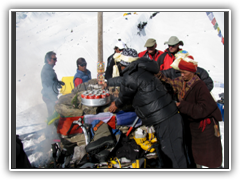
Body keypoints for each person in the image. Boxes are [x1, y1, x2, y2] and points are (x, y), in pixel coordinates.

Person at [105, 48, 188, 168]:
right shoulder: (140, 70)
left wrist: (116, 104)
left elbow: (125, 95)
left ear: (123, 65)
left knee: (174, 157)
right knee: (173, 153)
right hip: (168, 116)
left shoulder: (131, 76)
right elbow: (124, 82)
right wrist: (109, 82)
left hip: (165, 119)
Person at [155, 52, 223, 168]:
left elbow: (205, 108)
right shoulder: (183, 82)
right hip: (193, 127)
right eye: (180, 72)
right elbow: (169, 81)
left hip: (205, 129)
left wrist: (182, 106)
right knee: (196, 157)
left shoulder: (200, 86)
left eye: (184, 72)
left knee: (209, 158)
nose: (181, 75)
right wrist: (156, 73)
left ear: (192, 72)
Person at [41, 51, 64, 117]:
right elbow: (48, 87)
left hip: (50, 96)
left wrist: (58, 83)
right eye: (54, 59)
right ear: (48, 60)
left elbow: (51, 81)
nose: (56, 61)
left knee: (53, 114)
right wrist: (54, 99)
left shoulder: (49, 69)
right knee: (53, 116)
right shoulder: (47, 70)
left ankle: (51, 126)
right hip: (49, 96)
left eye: (56, 59)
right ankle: (50, 127)